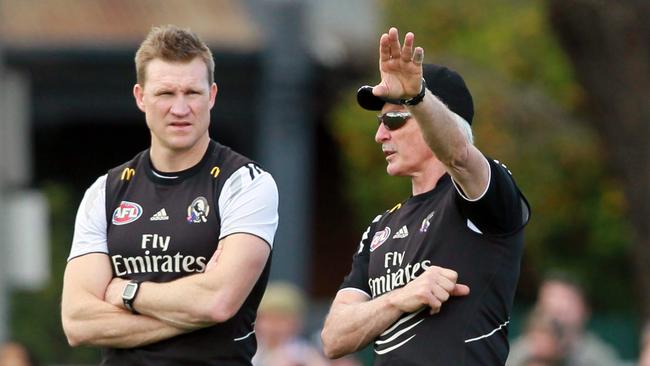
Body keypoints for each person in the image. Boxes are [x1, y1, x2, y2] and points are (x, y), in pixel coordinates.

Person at [60, 25, 279, 365]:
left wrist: (126, 292)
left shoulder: (245, 183)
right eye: (165, 94)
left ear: (212, 96)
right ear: (140, 96)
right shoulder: (106, 191)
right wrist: (191, 313)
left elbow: (217, 301)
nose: (180, 109)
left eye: (192, 92)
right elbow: (77, 322)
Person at [320, 27, 531, 365]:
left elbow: (460, 156)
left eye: (393, 119)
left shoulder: (480, 194)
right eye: (380, 121)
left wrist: (417, 96)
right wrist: (400, 298)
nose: (379, 135)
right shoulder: (380, 227)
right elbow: (333, 339)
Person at [507, 272, 621, 366]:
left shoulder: (598, 357)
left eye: (565, 301)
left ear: (585, 309)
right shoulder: (516, 355)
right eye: (549, 302)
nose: (556, 310)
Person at [253, 281, 329, 366]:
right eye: (267, 318)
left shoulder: (303, 353)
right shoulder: (249, 349)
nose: (274, 326)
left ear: (297, 323)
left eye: (281, 319)